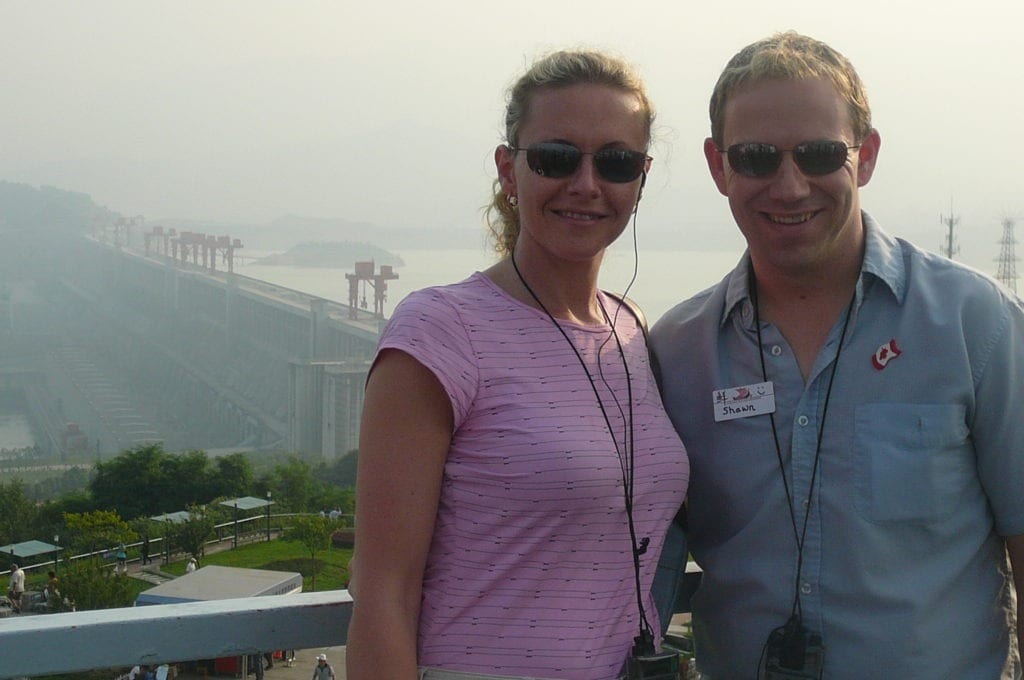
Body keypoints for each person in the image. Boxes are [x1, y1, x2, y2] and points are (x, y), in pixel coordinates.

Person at [650, 31, 1024, 679]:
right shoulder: (677, 351)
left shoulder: (974, 323)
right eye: (758, 157)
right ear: (719, 166)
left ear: (867, 155)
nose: (790, 186)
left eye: (820, 154)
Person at [346, 49, 688, 680]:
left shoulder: (633, 332)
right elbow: (382, 595)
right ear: (509, 168)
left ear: (640, 178)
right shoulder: (442, 331)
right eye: (556, 158)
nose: (586, 184)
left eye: (615, 162)